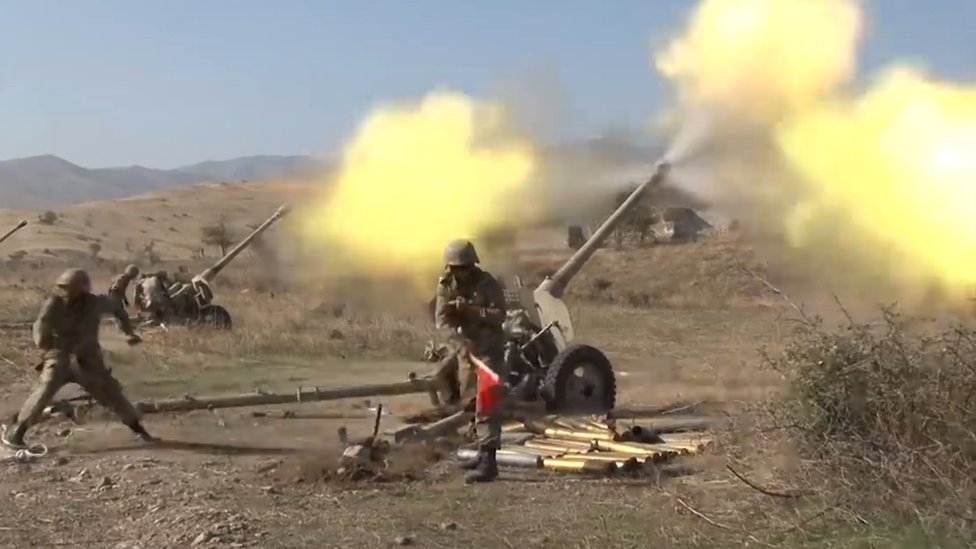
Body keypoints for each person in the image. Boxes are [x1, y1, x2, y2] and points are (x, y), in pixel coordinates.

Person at [2, 269, 155, 450]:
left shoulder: (95, 303)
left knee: (110, 392)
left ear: (82, 289)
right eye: (65, 288)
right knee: (46, 389)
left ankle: (138, 430)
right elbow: (41, 328)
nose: (68, 292)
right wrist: (47, 345)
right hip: (60, 356)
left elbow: (117, 307)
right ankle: (17, 432)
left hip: (88, 358)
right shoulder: (53, 304)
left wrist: (127, 331)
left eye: (72, 288)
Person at [433, 239, 508, 483]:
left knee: (486, 403)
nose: (459, 273)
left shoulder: (488, 284)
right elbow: (442, 321)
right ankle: (479, 450)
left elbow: (499, 315)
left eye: (463, 268)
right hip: (465, 349)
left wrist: (472, 310)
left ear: (472, 266)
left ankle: (489, 461)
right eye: (455, 268)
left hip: (489, 350)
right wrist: (458, 343)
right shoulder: (445, 284)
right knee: (469, 401)